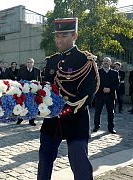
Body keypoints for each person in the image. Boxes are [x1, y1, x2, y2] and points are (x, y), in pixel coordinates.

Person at [38, 18, 99, 180]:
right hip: (52, 121)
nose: (59, 39)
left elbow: (88, 93)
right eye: (57, 36)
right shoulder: (52, 61)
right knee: (44, 160)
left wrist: (66, 109)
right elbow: (45, 89)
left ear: (75, 36)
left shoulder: (85, 61)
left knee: (79, 165)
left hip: (75, 118)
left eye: (64, 36)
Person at [93, 57, 119, 134]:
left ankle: (111, 128)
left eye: (107, 61)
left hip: (110, 95)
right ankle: (96, 126)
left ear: (110, 63)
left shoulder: (115, 73)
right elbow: (95, 83)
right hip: (100, 95)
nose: (105, 62)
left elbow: (117, 84)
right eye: (104, 61)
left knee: (111, 112)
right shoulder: (98, 72)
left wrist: (110, 89)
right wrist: (102, 89)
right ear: (102, 63)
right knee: (97, 111)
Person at [17, 58, 41, 126]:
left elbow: (39, 80)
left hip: (34, 92)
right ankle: (20, 119)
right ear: (26, 63)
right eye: (28, 62)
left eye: (31, 62)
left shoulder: (37, 70)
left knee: (33, 105)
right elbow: (18, 80)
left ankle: (31, 120)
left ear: (33, 63)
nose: (29, 63)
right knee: (23, 105)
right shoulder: (21, 70)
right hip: (24, 91)